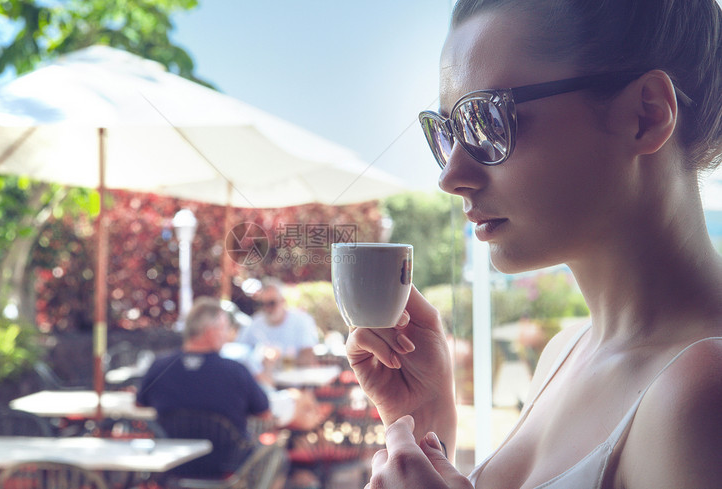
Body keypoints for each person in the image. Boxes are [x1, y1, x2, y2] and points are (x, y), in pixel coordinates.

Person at [347, 1, 722, 488]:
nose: (450, 176)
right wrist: (428, 428)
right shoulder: (565, 353)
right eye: (447, 132)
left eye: (485, 121)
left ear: (645, 116)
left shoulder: (700, 393)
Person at [136, 296, 271, 442]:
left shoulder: (160, 367)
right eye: (225, 328)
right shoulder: (236, 371)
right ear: (211, 331)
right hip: (231, 462)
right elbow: (265, 413)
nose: (227, 335)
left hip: (175, 459)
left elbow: (139, 404)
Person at [236, 277, 320, 370]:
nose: (267, 309)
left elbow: (308, 358)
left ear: (283, 301)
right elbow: (239, 351)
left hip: (295, 381)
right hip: (263, 381)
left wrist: (280, 360)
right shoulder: (254, 323)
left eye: (272, 303)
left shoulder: (302, 320)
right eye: (263, 304)